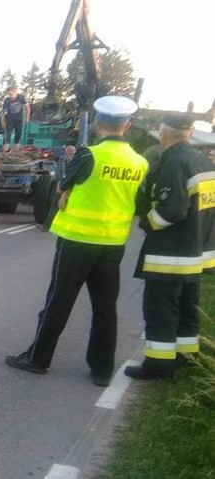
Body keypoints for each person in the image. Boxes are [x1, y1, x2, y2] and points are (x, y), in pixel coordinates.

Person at [4, 96, 149, 387]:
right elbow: (140, 203)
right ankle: (102, 369)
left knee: (58, 300)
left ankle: (38, 359)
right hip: (113, 244)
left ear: (98, 123)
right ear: (128, 125)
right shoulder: (140, 162)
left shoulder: (88, 155)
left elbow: (62, 185)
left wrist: (65, 191)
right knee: (105, 307)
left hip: (77, 241)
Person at [124, 113, 215, 380]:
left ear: (163, 134)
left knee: (160, 309)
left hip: (170, 255)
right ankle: (187, 356)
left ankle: (158, 364)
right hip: (195, 253)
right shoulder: (202, 160)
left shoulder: (174, 162)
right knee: (187, 307)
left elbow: (173, 209)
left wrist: (148, 223)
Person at [42, 145, 78, 230]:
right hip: (73, 187)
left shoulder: (63, 159)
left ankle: (47, 226)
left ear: (66, 151)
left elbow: (62, 173)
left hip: (63, 186)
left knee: (54, 206)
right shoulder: (76, 159)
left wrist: (61, 184)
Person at [0, 86, 31, 152]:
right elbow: (2, 111)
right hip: (10, 120)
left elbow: (27, 106)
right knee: (7, 137)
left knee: (18, 137)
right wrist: (3, 121)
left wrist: (27, 118)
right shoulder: (7, 100)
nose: (10, 96)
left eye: (11, 94)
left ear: (15, 92)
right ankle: (5, 152)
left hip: (19, 120)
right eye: (9, 95)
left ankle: (16, 152)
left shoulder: (20, 97)